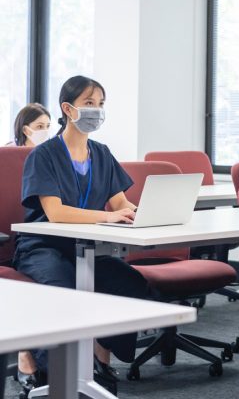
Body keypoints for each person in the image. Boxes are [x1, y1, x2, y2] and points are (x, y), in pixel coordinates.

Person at [13, 76, 151, 398]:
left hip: (84, 247)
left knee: (129, 283)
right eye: (90, 103)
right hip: (42, 246)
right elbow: (56, 212)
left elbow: (120, 203)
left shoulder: (101, 153)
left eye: (101, 104)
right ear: (68, 108)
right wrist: (108, 215)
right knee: (63, 292)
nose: (97, 111)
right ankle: (44, 369)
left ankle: (99, 359)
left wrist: (144, 214)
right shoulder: (44, 155)